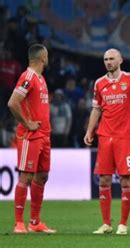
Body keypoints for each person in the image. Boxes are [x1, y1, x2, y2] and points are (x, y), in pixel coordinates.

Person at [84, 48, 130, 235]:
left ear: (120, 60)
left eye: (111, 59)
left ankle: (123, 224)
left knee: (125, 180)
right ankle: (106, 223)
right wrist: (90, 130)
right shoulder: (100, 83)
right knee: (104, 179)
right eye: (106, 59)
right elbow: (97, 109)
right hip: (105, 136)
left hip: (124, 137)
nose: (108, 62)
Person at [8, 43, 56, 233]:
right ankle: (19, 223)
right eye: (47, 55)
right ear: (43, 57)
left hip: (44, 135)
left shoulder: (40, 79)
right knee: (26, 176)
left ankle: (35, 223)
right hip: (31, 135)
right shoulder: (28, 77)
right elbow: (12, 103)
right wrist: (27, 123)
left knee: (42, 176)